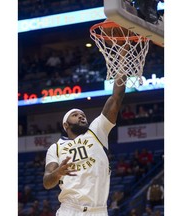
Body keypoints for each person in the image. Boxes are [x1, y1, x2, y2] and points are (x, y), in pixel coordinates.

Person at [43, 48, 128, 215]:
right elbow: (47, 182)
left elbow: (116, 98)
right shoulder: (56, 148)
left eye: (82, 115)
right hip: (70, 209)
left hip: (99, 211)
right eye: (75, 115)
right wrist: (58, 172)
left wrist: (123, 59)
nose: (81, 117)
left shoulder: (97, 131)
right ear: (66, 125)